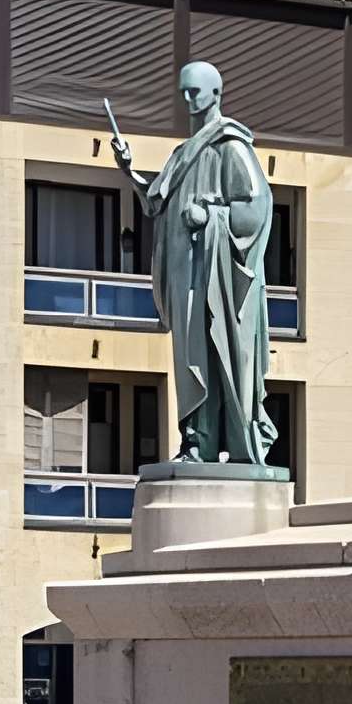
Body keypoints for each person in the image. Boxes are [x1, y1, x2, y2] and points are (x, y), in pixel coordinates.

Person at [111, 61, 276, 465]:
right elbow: (156, 201)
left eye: (194, 91)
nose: (187, 99)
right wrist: (129, 168)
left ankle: (230, 445)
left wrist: (212, 217)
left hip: (217, 278)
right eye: (183, 91)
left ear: (216, 93)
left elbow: (258, 206)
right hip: (187, 277)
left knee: (219, 357)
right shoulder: (182, 153)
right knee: (191, 363)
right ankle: (195, 444)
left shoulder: (230, 147)